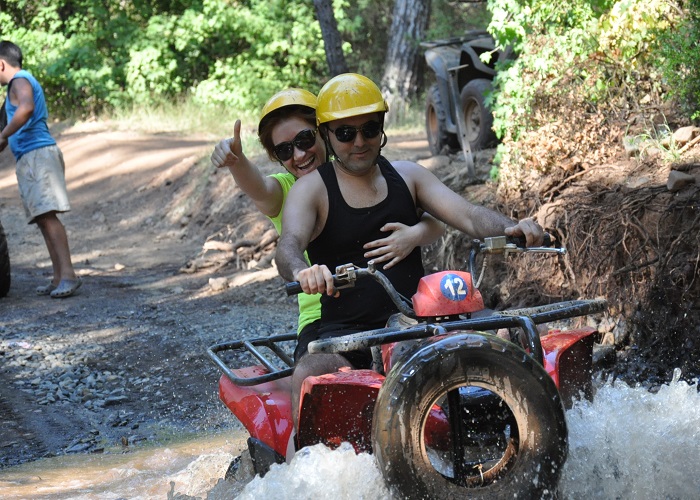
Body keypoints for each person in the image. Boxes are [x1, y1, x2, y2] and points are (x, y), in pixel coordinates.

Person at [275, 73, 545, 427]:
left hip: (419, 323)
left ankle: (520, 431)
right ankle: (297, 473)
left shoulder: (409, 176)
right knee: (309, 373)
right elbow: (289, 245)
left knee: (509, 330)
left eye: (369, 129)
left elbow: (468, 215)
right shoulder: (311, 190)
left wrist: (514, 227)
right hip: (348, 336)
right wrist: (302, 271)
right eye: (345, 133)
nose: (359, 141)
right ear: (327, 134)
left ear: (381, 128)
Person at [210, 88, 443, 338]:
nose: (299, 154)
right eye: (285, 151)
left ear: (323, 133)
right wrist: (237, 161)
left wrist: (415, 234)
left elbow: (437, 217)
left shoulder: (364, 170)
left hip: (398, 307)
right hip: (323, 318)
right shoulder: (288, 190)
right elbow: (259, 188)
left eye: (304, 140)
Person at [0, 40, 81, 298]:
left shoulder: (19, 80)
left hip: (38, 155)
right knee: (41, 219)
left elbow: (26, 108)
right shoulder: (18, 83)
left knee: (47, 216)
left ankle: (68, 275)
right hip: (30, 156)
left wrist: (3, 135)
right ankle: (58, 278)